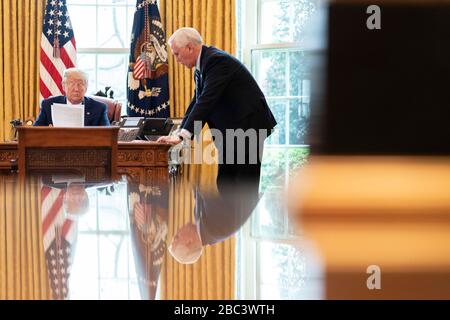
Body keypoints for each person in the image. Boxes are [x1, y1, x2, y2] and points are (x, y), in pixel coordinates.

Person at [157, 27, 277, 191]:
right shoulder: (202, 66)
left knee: (243, 188)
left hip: (248, 127)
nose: (176, 60)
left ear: (190, 47)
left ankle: (245, 217)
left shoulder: (217, 61)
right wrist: (179, 133)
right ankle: (228, 217)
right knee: (225, 184)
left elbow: (207, 101)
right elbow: (196, 102)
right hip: (231, 131)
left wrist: (182, 136)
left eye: (177, 54)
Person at [34, 68, 110, 126]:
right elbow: (35, 132)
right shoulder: (48, 105)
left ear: (86, 87)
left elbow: (107, 136)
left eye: (80, 84)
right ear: (63, 86)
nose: (76, 89)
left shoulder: (99, 109)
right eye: (71, 83)